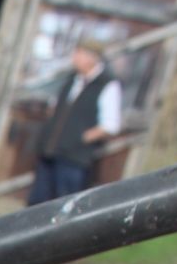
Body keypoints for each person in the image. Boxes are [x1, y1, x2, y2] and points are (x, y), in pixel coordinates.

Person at [27, 37, 122, 205]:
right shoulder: (72, 79)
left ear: (92, 58)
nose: (75, 58)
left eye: (79, 53)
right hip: (50, 152)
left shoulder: (107, 84)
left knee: (64, 204)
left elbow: (110, 125)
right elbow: (55, 108)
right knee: (37, 204)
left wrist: (80, 138)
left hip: (74, 159)